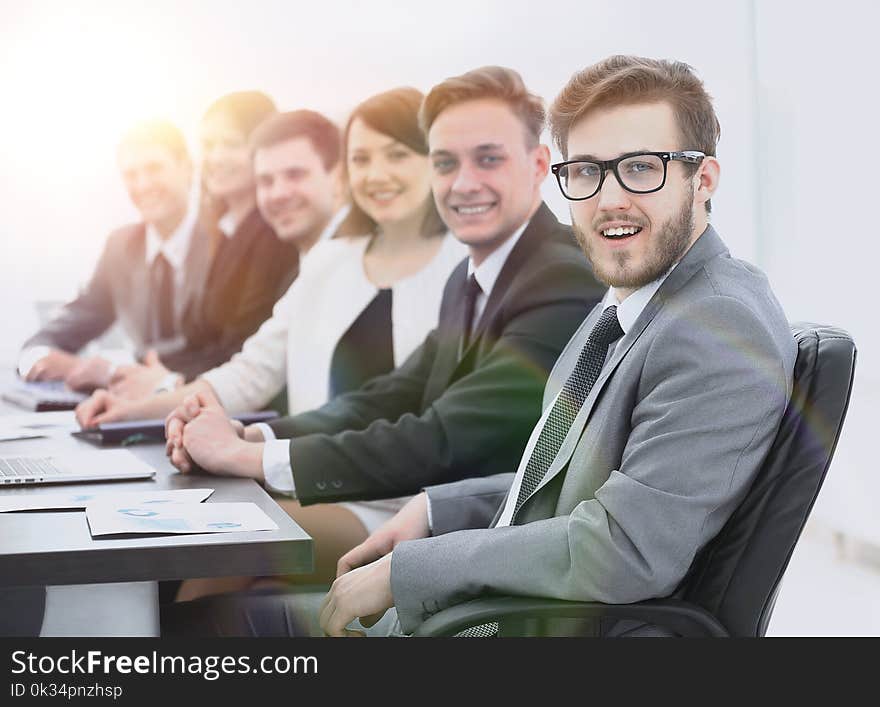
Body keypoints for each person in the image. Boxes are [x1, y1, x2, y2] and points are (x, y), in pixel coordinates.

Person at [167, 56, 797, 638]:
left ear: (703, 177)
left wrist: (410, 569)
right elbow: (554, 481)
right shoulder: (634, 301)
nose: (609, 198)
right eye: (586, 171)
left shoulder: (717, 324)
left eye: (640, 167)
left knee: (216, 625)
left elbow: (625, 550)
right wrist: (439, 507)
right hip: (501, 596)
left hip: (529, 626)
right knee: (216, 605)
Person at [158, 66, 604, 613]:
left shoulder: (560, 277)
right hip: (420, 516)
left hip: (474, 546)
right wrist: (255, 439)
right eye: (446, 163)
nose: (462, 182)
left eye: (488, 159)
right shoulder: (476, 276)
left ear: (539, 166)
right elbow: (390, 395)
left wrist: (254, 460)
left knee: (214, 566)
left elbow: (446, 437)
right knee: (203, 568)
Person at [74, 109, 348, 423]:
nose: (278, 193)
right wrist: (132, 411)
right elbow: (252, 373)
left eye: (295, 175)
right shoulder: (310, 264)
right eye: (267, 181)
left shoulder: (347, 259)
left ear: (338, 178)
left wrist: (163, 387)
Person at [109, 91, 300, 399]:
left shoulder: (274, 236)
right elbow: (202, 340)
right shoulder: (225, 231)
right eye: (209, 146)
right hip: (205, 389)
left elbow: (240, 346)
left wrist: (171, 379)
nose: (216, 157)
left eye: (231, 144)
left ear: (264, 150)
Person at [18, 120, 213, 390]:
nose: (143, 185)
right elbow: (75, 319)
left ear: (187, 168)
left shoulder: (222, 242)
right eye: (131, 175)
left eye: (154, 169)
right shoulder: (121, 247)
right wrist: (38, 356)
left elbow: (217, 352)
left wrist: (113, 371)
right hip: (135, 404)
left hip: (205, 397)